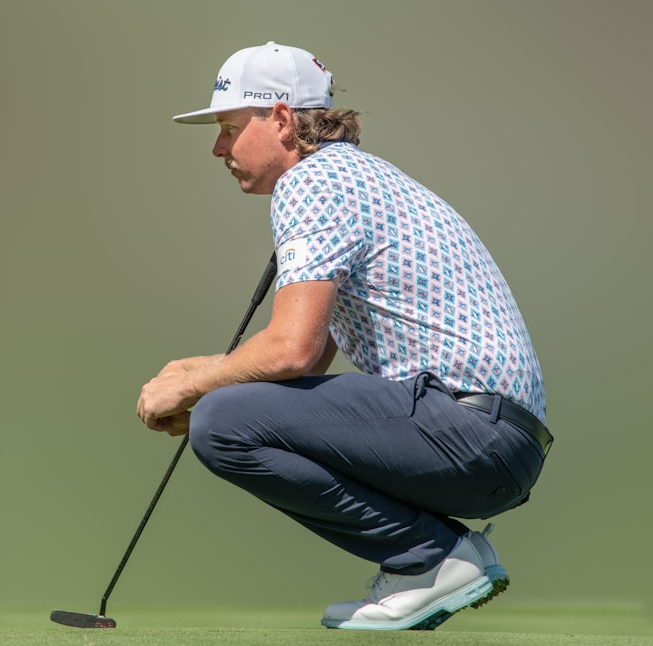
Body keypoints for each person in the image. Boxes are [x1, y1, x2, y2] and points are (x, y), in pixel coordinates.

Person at [136, 41, 552, 631]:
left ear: (281, 119)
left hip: (469, 431)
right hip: (495, 442)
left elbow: (291, 351)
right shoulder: (353, 177)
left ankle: (430, 559)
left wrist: (197, 389)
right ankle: (432, 561)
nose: (218, 147)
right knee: (227, 407)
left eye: (229, 128)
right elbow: (302, 364)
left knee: (222, 424)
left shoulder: (312, 183)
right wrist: (200, 376)